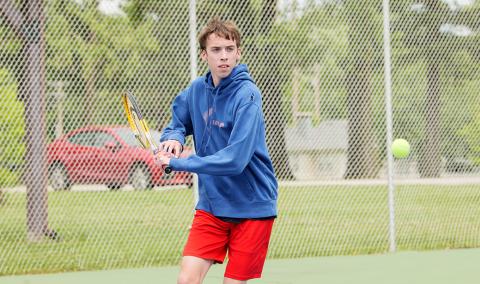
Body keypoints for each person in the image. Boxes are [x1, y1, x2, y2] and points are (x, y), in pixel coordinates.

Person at [155, 17, 278, 284]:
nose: (224, 57)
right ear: (204, 54)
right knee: (186, 279)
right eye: (216, 50)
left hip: (252, 206)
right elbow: (176, 124)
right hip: (212, 205)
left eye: (229, 49)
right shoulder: (196, 90)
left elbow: (235, 160)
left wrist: (181, 163)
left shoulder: (248, 95)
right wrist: (174, 139)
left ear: (238, 52)